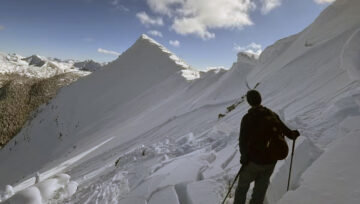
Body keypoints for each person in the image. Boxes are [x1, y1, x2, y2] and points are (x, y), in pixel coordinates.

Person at [233, 90, 299, 204]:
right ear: (260, 99)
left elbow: (242, 141)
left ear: (249, 102)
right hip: (271, 161)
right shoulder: (272, 114)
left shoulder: (248, 118)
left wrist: (244, 157)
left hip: (254, 162)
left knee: (242, 188)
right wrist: (294, 134)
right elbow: (289, 134)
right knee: (260, 191)